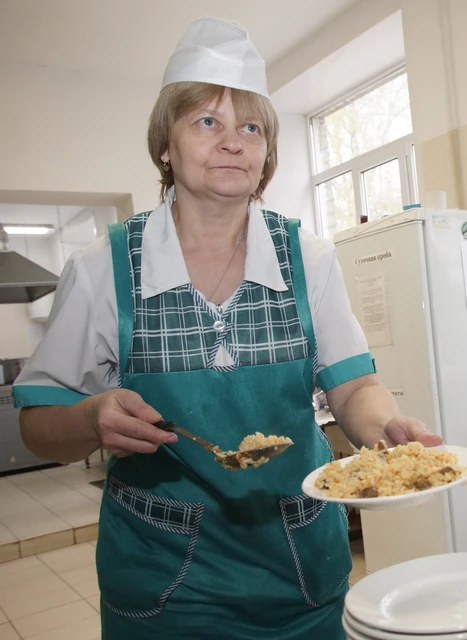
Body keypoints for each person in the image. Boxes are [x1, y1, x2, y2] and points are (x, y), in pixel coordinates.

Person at [13, 17, 440, 639]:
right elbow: (37, 425)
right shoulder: (101, 268)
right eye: (207, 122)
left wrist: (387, 429)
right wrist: (88, 419)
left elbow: (352, 388)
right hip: (163, 586)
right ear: (166, 143)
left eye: (251, 126)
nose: (233, 141)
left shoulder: (308, 259)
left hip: (301, 572)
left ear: (266, 152)